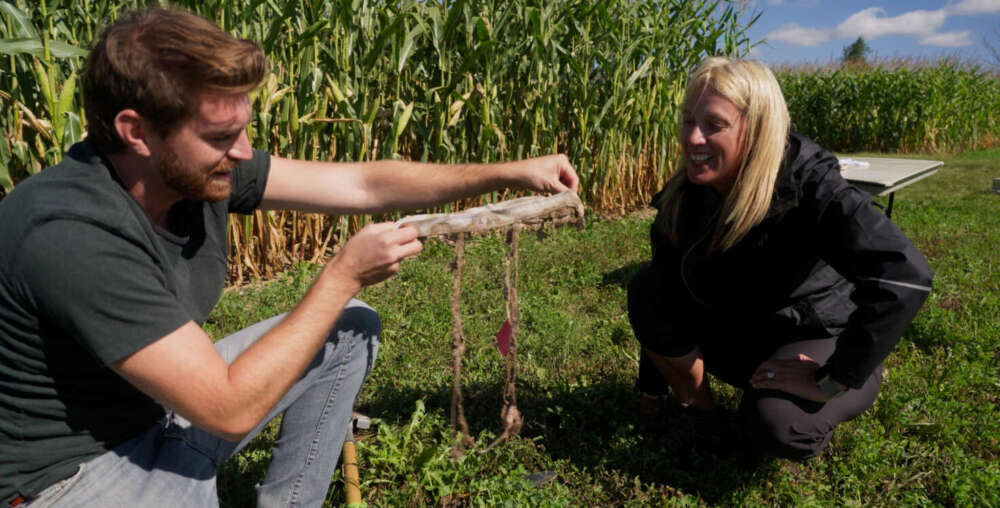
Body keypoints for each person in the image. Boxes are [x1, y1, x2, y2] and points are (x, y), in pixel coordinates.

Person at [0, 7, 578, 507]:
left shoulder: (198, 169)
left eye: (245, 130)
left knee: (350, 331)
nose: (245, 153)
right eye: (222, 136)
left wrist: (507, 172)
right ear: (137, 132)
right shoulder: (69, 232)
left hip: (157, 412)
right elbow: (226, 410)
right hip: (67, 479)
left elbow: (364, 186)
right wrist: (341, 276)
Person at [628, 57, 932, 460]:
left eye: (714, 125)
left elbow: (904, 275)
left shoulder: (811, 184)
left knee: (778, 426)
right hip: (744, 328)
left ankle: (848, 383)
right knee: (646, 286)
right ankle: (701, 414)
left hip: (811, 336)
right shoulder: (686, 192)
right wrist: (652, 388)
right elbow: (665, 291)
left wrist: (833, 378)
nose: (693, 139)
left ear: (755, 129)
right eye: (688, 121)